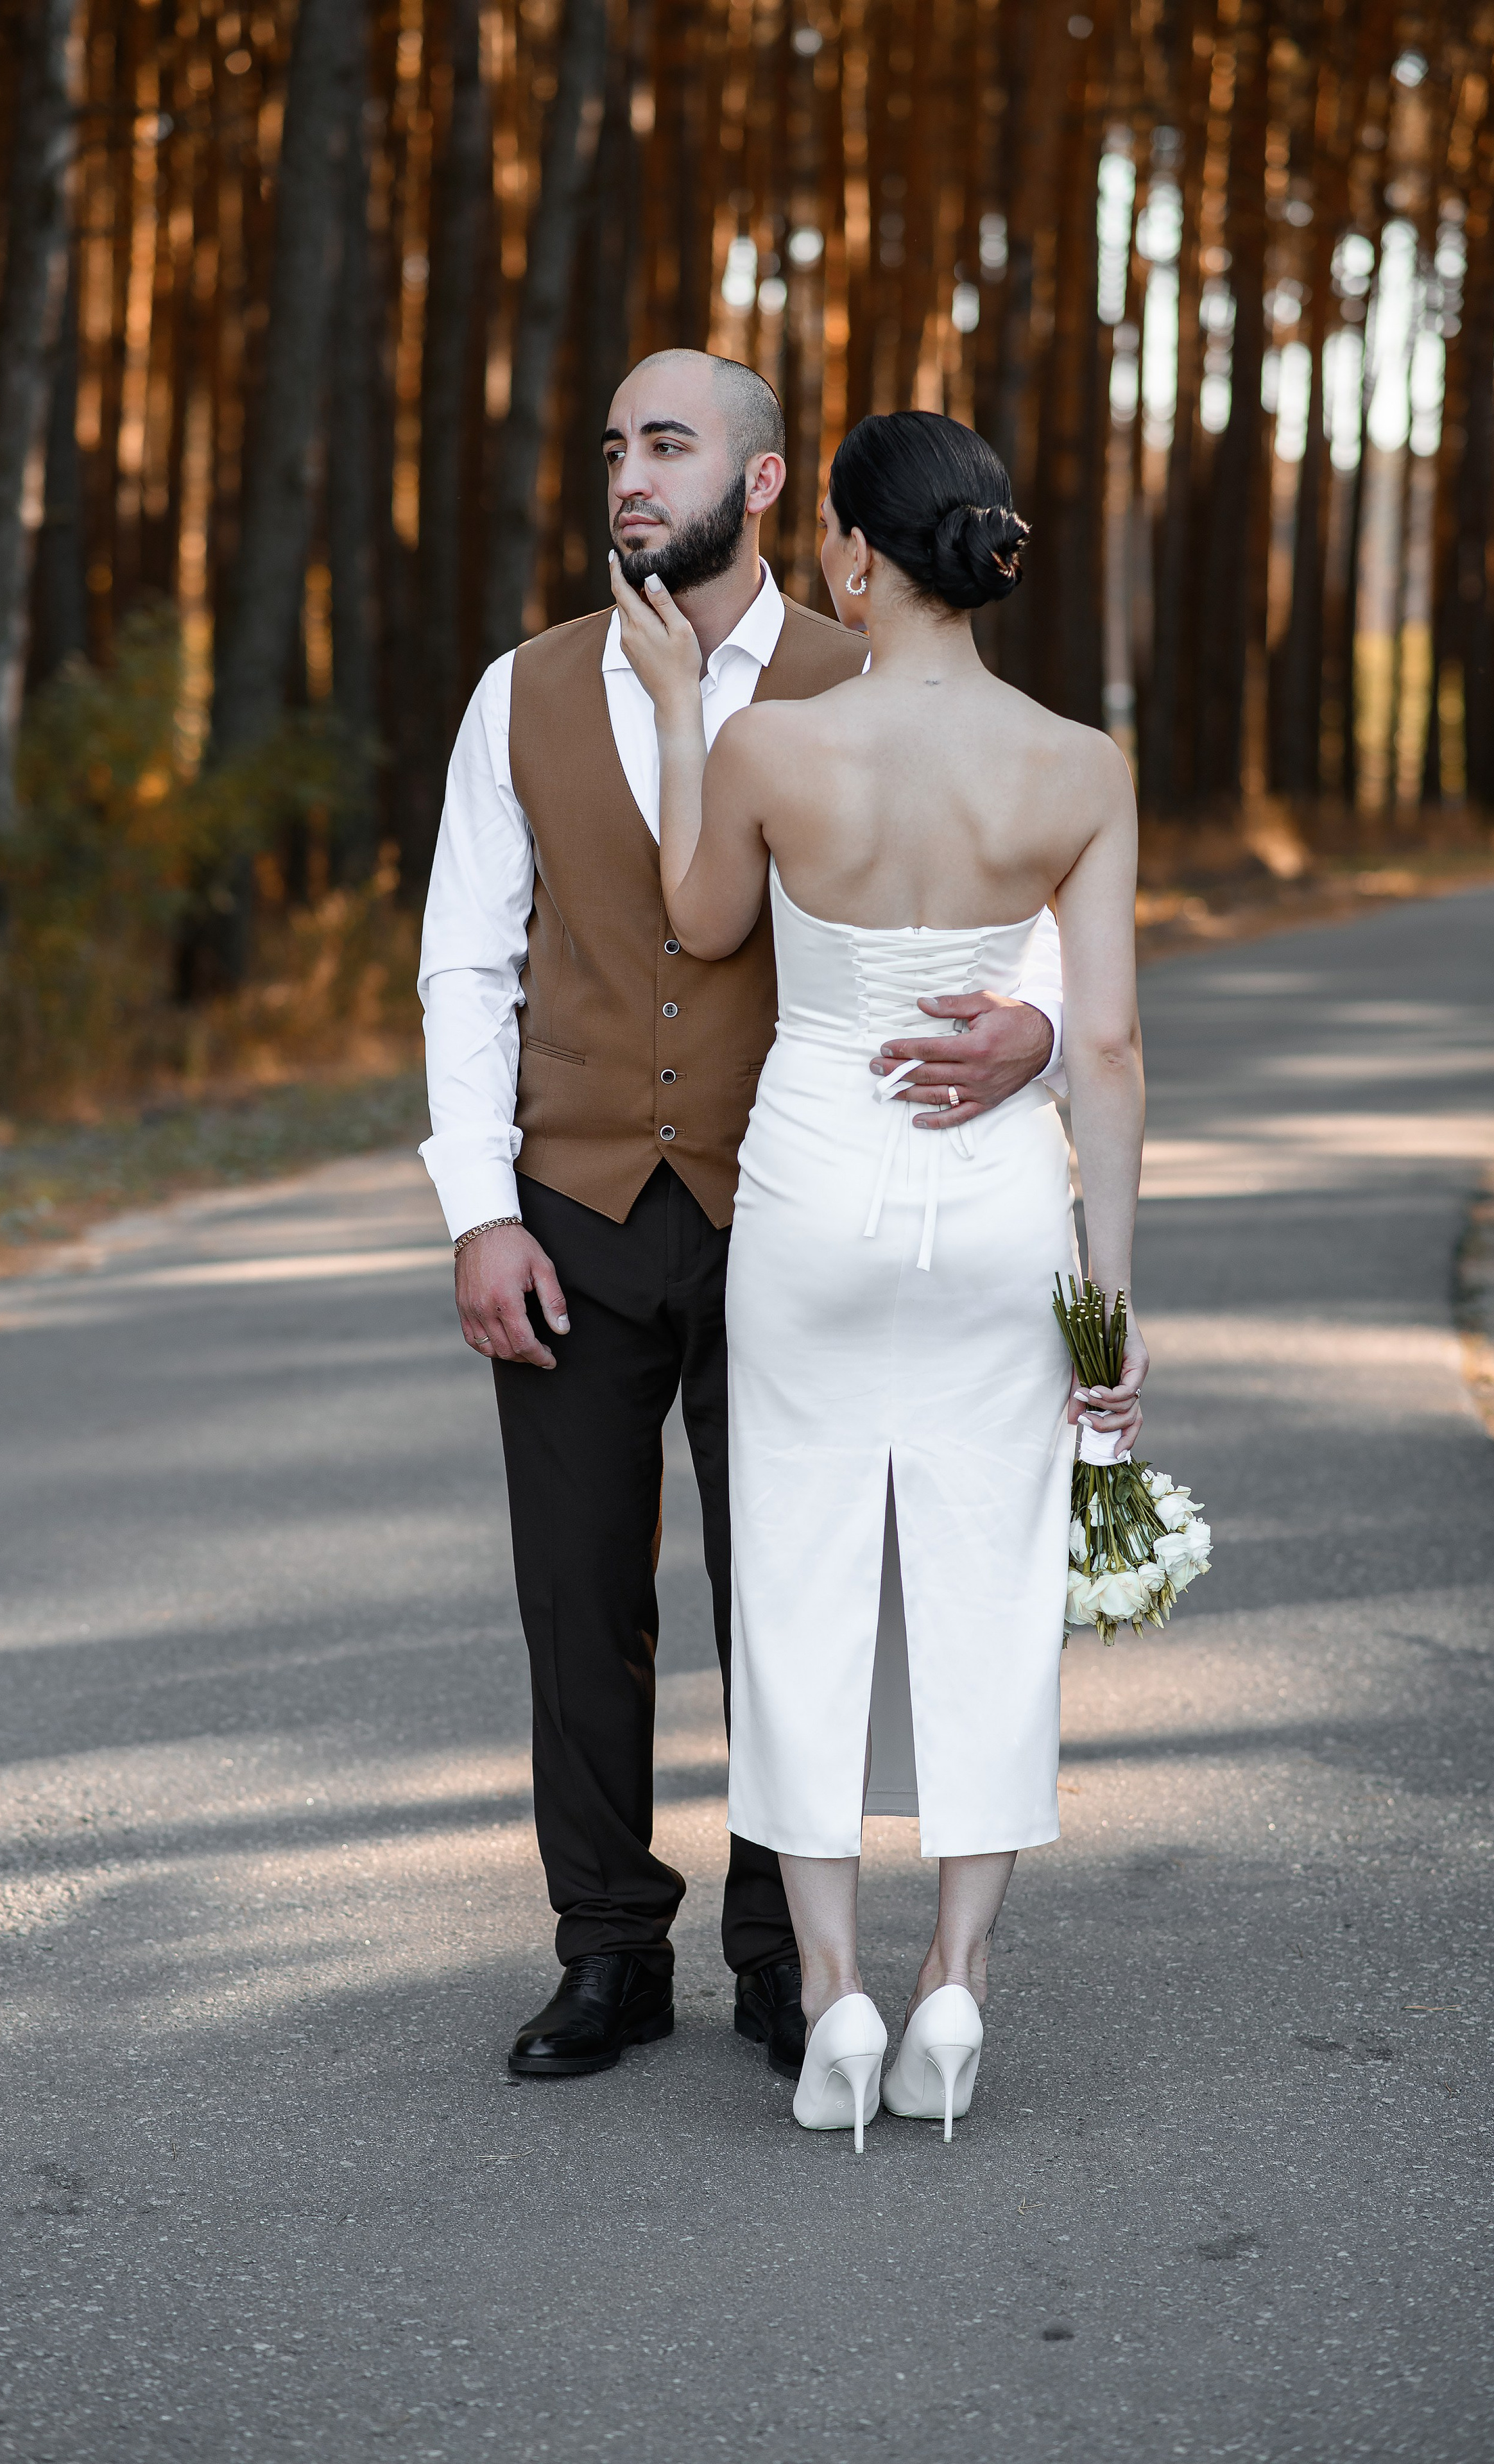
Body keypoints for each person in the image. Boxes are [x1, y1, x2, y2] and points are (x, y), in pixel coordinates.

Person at [418, 356, 1069, 2083]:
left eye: (668, 444)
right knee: (578, 1595)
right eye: (614, 446)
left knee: (796, 1583)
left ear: (766, 483)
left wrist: (1041, 1024)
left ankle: (790, 1960)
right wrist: (480, 1211)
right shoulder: (522, 691)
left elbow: (1031, 884)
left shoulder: (877, 665)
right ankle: (607, 1950)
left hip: (791, 1202)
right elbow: (466, 963)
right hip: (571, 1206)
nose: (629, 476)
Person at [609, 406, 1147, 2146]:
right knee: (990, 1583)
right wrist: (1106, 1312)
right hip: (995, 1211)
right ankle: (956, 1983)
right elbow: (1107, 1046)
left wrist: (683, 712)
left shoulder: (774, 746)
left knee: (803, 1584)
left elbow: (700, 924)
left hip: (814, 1199)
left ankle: (833, 1990)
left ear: (850, 550)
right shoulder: (1079, 767)